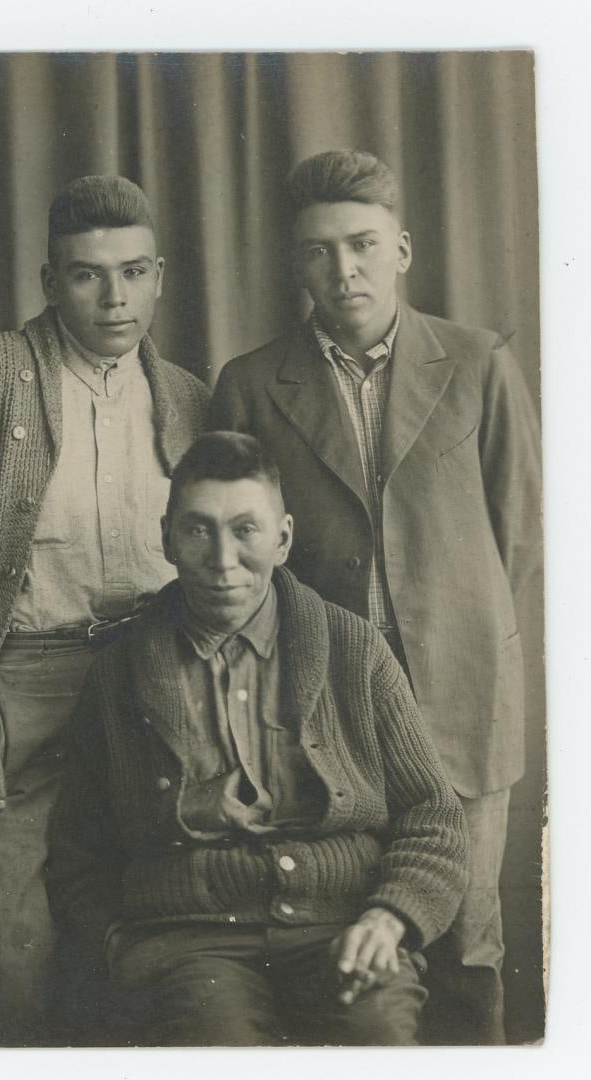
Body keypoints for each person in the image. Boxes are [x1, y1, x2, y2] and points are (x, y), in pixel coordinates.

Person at [209, 149, 542, 1044]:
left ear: (402, 248)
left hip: (463, 705)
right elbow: (242, 564)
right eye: (319, 251)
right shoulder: (251, 383)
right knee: (349, 955)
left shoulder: (477, 363)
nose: (343, 269)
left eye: (361, 245)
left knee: (468, 947)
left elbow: (518, 536)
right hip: (326, 717)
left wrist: (454, 634)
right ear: (297, 264)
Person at [0, 174, 209, 1044]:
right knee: (16, 946)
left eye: (134, 272)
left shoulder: (188, 395)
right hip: (18, 687)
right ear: (47, 280)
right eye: (87, 274)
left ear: (159, 276)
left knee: (143, 927)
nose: (115, 296)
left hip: (151, 684)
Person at [47, 431, 468, 1047]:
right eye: (197, 531)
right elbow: (78, 849)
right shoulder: (119, 674)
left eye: (246, 530)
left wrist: (388, 919)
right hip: (190, 943)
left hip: (340, 924)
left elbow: (433, 815)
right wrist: (119, 945)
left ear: (284, 537)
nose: (223, 561)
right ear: (166, 537)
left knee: (376, 1035)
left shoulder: (354, 649)